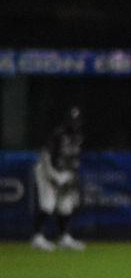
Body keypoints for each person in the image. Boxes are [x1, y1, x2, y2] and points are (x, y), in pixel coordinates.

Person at [32, 106, 86, 251]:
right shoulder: (58, 134)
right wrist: (53, 176)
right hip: (45, 170)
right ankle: (37, 238)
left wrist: (71, 178)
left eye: (76, 120)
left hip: (64, 172)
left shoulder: (78, 137)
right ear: (66, 120)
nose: (74, 123)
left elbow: (74, 160)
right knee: (48, 204)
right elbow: (45, 156)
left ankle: (64, 237)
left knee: (66, 205)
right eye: (71, 120)